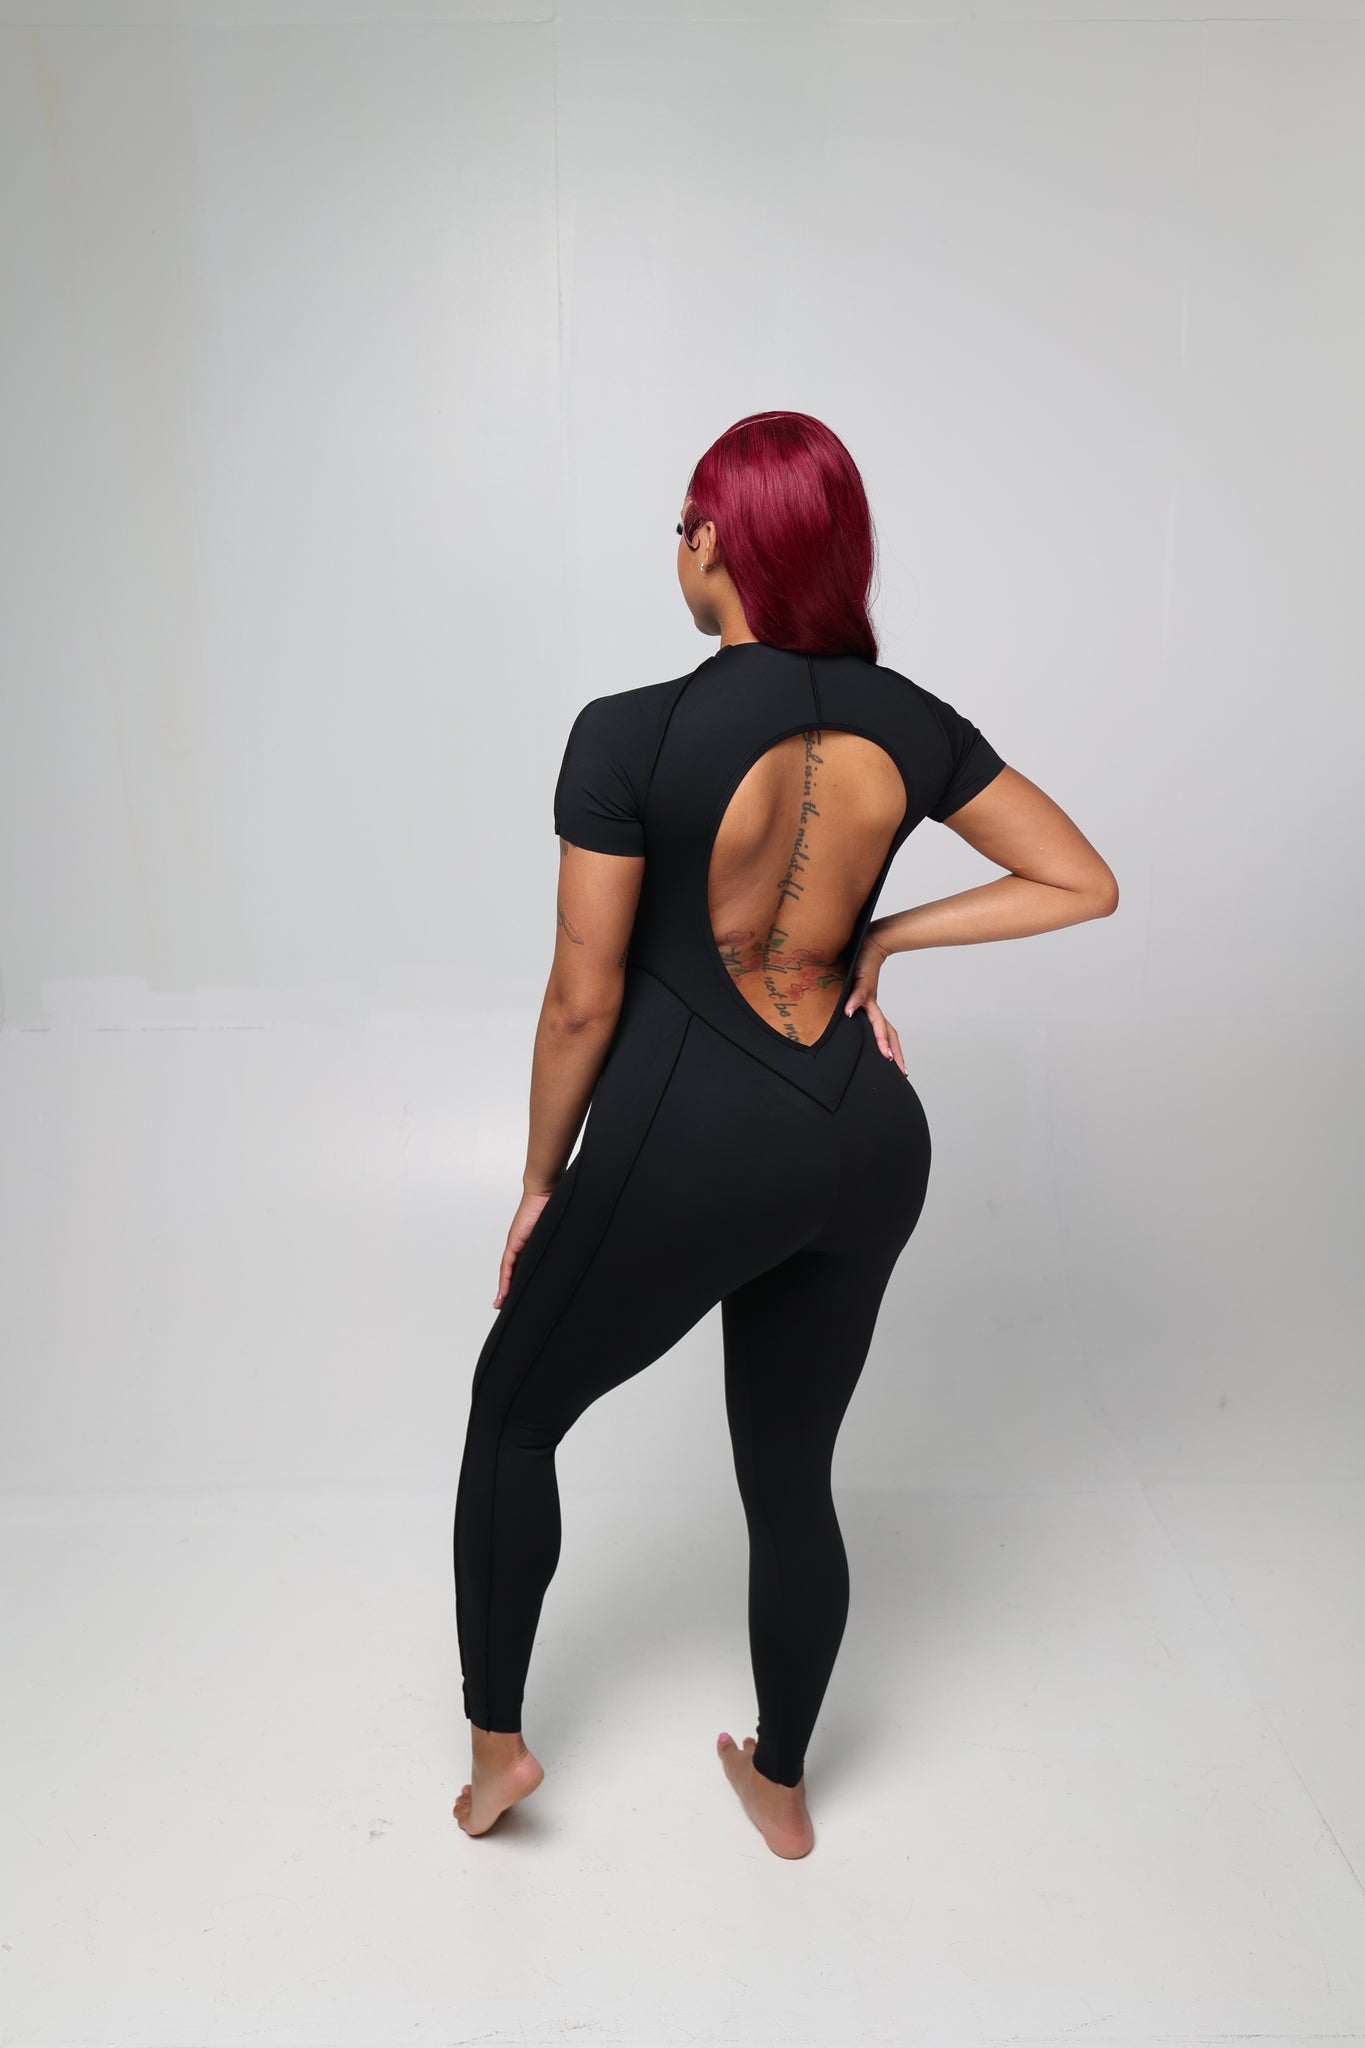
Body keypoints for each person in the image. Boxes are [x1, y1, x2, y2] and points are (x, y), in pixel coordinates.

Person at [452, 410, 1119, 1856]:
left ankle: (497, 1755)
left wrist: (539, 1182)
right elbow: (1081, 880)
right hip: (866, 1139)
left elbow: (581, 1001)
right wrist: (882, 935)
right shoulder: (915, 722)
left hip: (694, 1140)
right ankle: (783, 1784)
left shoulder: (627, 732)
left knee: (512, 1416)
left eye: (682, 527)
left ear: (714, 543)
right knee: (791, 1474)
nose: (677, 551)